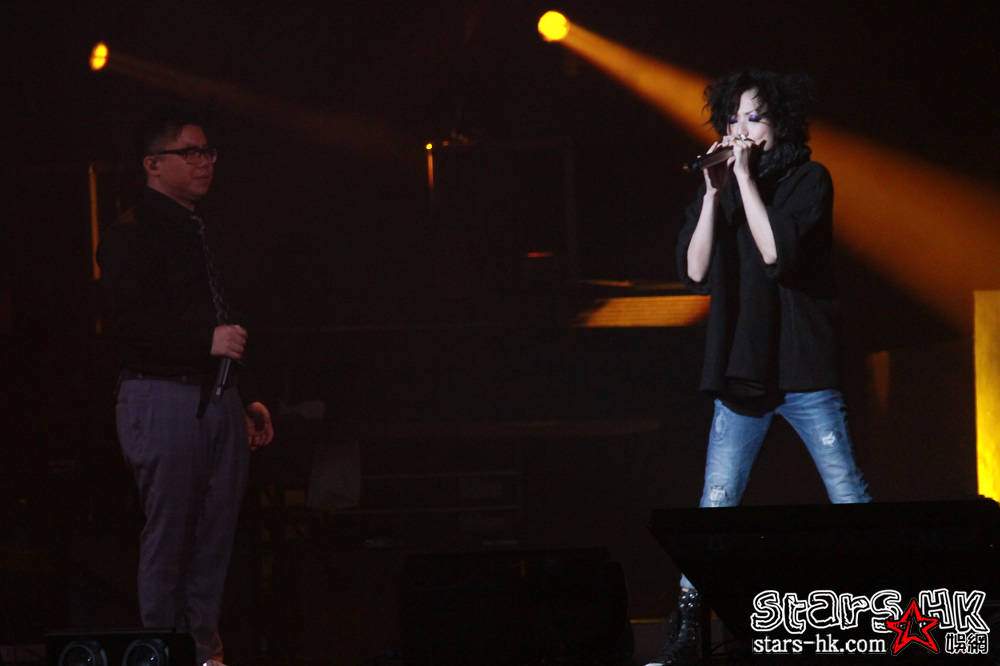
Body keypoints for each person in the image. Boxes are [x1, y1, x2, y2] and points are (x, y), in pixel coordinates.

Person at [647, 70, 871, 666]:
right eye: (733, 118)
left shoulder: (808, 180)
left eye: (754, 117)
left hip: (803, 370)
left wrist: (745, 181)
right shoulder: (723, 187)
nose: (740, 130)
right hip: (743, 372)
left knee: (848, 494)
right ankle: (688, 626)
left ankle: (889, 617)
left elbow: (777, 253)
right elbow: (695, 272)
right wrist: (712, 193)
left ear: (780, 123)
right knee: (716, 504)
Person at [98, 107, 275, 666]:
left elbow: (226, 316)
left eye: (208, 152)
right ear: (153, 164)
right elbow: (124, 325)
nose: (204, 162)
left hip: (214, 396)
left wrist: (244, 394)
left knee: (214, 534)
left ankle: (201, 651)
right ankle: (162, 650)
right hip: (163, 394)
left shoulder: (201, 229)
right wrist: (205, 342)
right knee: (173, 530)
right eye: (190, 152)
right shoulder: (132, 232)